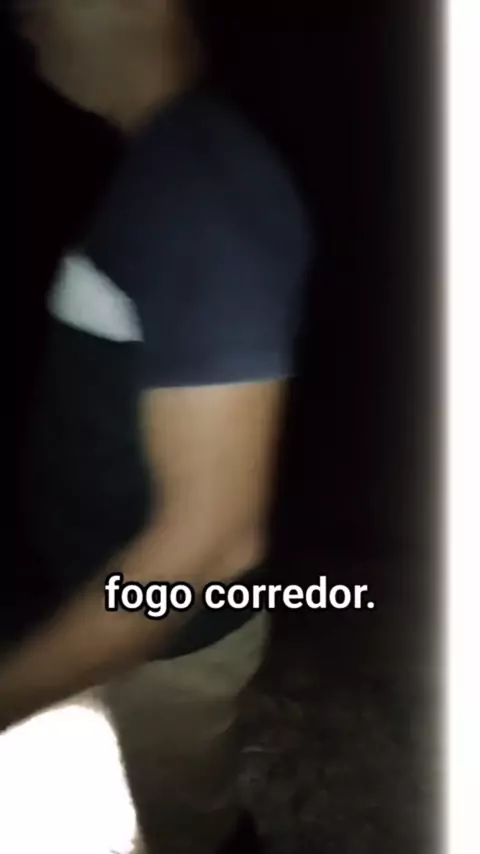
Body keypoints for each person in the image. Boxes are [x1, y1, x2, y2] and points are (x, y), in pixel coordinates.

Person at [0, 2, 312, 852]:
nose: (24, 13)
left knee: (187, 826)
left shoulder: (202, 179)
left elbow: (210, 547)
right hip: (122, 613)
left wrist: (11, 693)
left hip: (168, 635)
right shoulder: (170, 161)